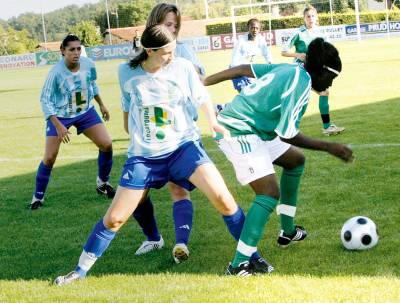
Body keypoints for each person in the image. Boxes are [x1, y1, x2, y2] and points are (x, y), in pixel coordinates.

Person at [53, 25, 271, 286]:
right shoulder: (126, 72)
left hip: (183, 148)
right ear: (150, 51)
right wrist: (138, 133)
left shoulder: (182, 67)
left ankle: (252, 258)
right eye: (167, 52)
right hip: (143, 158)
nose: (172, 56)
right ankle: (79, 270)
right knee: (114, 219)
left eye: (174, 50)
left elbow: (202, 96)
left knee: (224, 200)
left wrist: (212, 122)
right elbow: (127, 107)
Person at [204, 38, 354, 275]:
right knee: (268, 192)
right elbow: (288, 134)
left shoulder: (291, 68)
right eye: (331, 78)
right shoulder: (301, 84)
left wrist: (204, 82)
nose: (330, 85)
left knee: (295, 161)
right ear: (321, 71)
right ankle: (238, 264)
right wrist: (329, 147)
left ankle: (288, 231)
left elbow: (242, 69)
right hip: (238, 130)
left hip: (259, 130)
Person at [131, 3, 207, 264]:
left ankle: (181, 244)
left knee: (178, 190)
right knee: (137, 195)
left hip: (181, 134)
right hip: (149, 142)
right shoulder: (139, 59)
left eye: (175, 25)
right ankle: (153, 238)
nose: (172, 30)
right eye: (166, 25)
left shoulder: (183, 52)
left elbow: (200, 84)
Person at [28, 34, 115, 210]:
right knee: (50, 157)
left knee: (106, 144)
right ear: (62, 51)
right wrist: (58, 125)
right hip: (59, 115)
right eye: (71, 49)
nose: (76, 53)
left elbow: (92, 85)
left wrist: (102, 105)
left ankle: (102, 183)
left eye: (78, 49)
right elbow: (45, 99)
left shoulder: (88, 64)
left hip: (85, 112)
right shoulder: (55, 73)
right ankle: (37, 197)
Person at [281, 5, 345, 136]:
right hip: (300, 70)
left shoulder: (322, 34)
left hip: (315, 71)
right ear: (304, 18)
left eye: (312, 16)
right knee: (311, 96)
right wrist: (298, 55)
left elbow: (327, 53)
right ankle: (324, 127)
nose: (310, 18)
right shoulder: (299, 33)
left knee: (322, 93)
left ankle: (326, 127)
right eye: (308, 16)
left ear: (317, 17)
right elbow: (283, 51)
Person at [230, 18, 272, 92]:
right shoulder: (241, 41)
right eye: (252, 28)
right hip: (237, 70)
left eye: (256, 28)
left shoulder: (261, 40)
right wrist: (235, 72)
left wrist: (270, 63)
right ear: (248, 28)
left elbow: (266, 53)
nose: (254, 30)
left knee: (254, 93)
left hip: (249, 70)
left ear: (259, 29)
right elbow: (235, 58)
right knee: (244, 94)